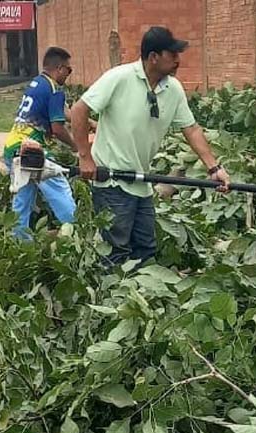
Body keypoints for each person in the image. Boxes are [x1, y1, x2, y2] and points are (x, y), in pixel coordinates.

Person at [71, 26, 230, 267]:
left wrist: (213, 167)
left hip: (142, 182)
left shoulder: (172, 89)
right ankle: (112, 299)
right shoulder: (119, 78)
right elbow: (79, 110)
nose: (178, 60)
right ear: (153, 57)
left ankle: (140, 299)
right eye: (172, 54)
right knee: (115, 251)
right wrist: (85, 157)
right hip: (112, 181)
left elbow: (191, 129)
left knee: (146, 248)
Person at [3, 47, 79, 238]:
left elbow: (66, 113)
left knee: (22, 201)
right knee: (58, 185)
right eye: (69, 70)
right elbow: (58, 128)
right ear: (60, 68)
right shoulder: (54, 90)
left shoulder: (37, 83)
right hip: (31, 152)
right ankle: (79, 233)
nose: (69, 75)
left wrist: (92, 123)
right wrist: (77, 148)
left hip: (13, 147)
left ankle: (20, 246)